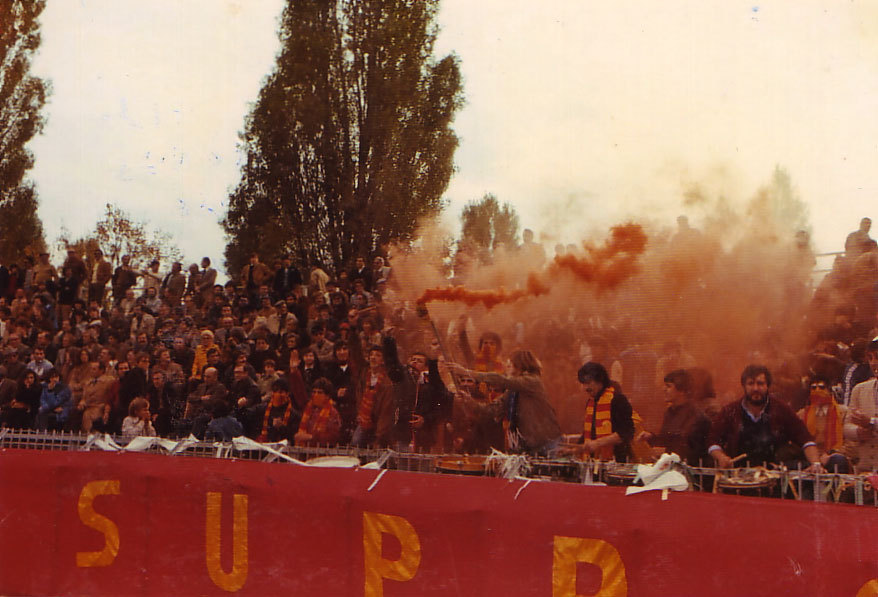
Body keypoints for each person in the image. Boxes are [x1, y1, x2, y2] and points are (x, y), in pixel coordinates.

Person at [708, 365, 823, 471]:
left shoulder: (781, 409)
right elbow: (713, 440)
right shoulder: (730, 411)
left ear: (768, 386)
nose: (755, 388)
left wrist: (816, 464)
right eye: (751, 384)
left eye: (760, 383)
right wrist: (721, 457)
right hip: (738, 476)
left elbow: (805, 439)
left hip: (774, 475)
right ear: (744, 386)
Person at [451, 349, 562, 455]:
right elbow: (491, 410)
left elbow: (502, 380)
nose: (506, 369)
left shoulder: (532, 381)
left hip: (546, 443)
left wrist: (468, 373)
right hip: (527, 446)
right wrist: (469, 401)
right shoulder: (512, 391)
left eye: (509, 366)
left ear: (519, 366)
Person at [561, 361, 634, 461]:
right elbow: (588, 435)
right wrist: (572, 450)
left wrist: (598, 443)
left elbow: (627, 432)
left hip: (616, 462)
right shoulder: (591, 402)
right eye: (583, 384)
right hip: (595, 462)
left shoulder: (618, 399)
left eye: (588, 383)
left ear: (600, 380)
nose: (586, 388)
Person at [637, 369, 710, 464]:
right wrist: (651, 437)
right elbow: (668, 439)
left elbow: (689, 448)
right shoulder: (669, 412)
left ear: (682, 391)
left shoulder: (695, 416)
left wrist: (666, 450)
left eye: (668, 386)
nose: (664, 389)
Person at [797, 374, 851, 473]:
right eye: (813, 388)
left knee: (838, 461)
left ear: (829, 390)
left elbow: (850, 442)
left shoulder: (843, 412)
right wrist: (815, 459)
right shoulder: (802, 414)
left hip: (833, 456)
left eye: (821, 387)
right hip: (809, 458)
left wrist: (830, 454)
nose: (817, 390)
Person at [846, 339, 878, 472]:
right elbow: (846, 427)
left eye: (877, 357)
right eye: (870, 358)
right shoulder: (859, 390)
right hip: (865, 470)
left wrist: (871, 422)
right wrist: (858, 432)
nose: (874, 363)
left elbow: (870, 422)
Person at [294, 377, 341, 446]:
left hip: (323, 451)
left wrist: (311, 437)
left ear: (327, 396)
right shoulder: (308, 409)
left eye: (319, 392)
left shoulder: (333, 413)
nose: (315, 395)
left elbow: (333, 437)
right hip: (305, 449)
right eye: (314, 392)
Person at [258, 378, 301, 443]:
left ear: (287, 394)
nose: (277, 395)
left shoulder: (294, 414)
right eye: (275, 392)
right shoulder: (263, 409)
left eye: (280, 392)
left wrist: (281, 427)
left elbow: (294, 436)